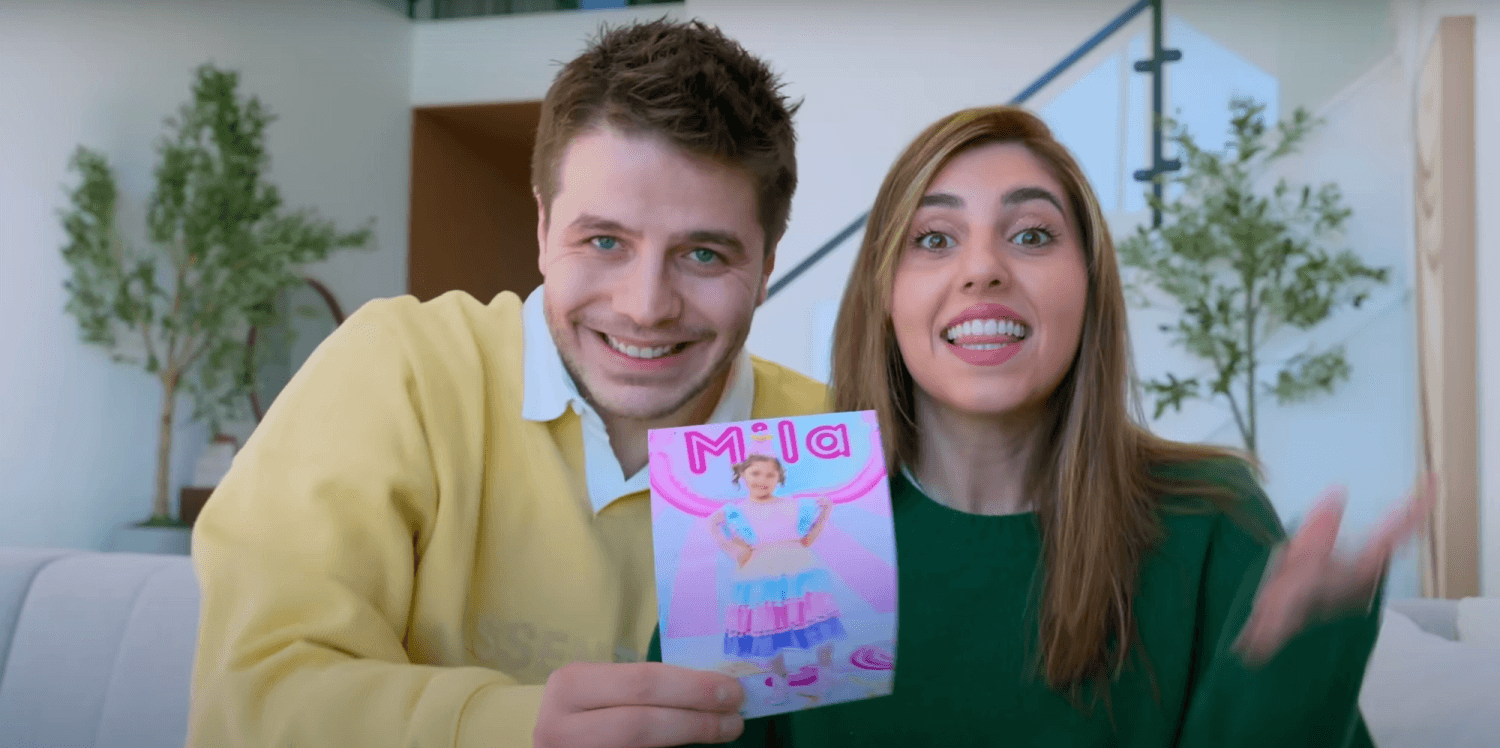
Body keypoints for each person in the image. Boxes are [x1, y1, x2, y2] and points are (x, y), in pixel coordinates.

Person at [655, 105, 1432, 746]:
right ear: (884, 298)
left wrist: (1294, 675)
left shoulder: (1210, 515)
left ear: (1090, 289)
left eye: (1031, 235)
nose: (984, 267)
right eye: (934, 239)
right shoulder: (777, 508)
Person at [187, 18, 829, 748]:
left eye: (705, 254)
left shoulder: (824, 437)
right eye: (605, 241)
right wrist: (517, 729)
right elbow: (249, 701)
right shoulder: (399, 369)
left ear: (768, 266)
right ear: (543, 228)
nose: (645, 306)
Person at [709, 455, 844, 704]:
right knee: (768, 631)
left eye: (770, 474)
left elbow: (806, 540)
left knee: (820, 621)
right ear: (742, 475)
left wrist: (825, 514)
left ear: (779, 478)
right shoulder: (736, 513)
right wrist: (720, 534)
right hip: (761, 573)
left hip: (800, 569)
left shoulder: (794, 506)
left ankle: (826, 673)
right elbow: (739, 550)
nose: (763, 479)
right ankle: (780, 682)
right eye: (755, 473)